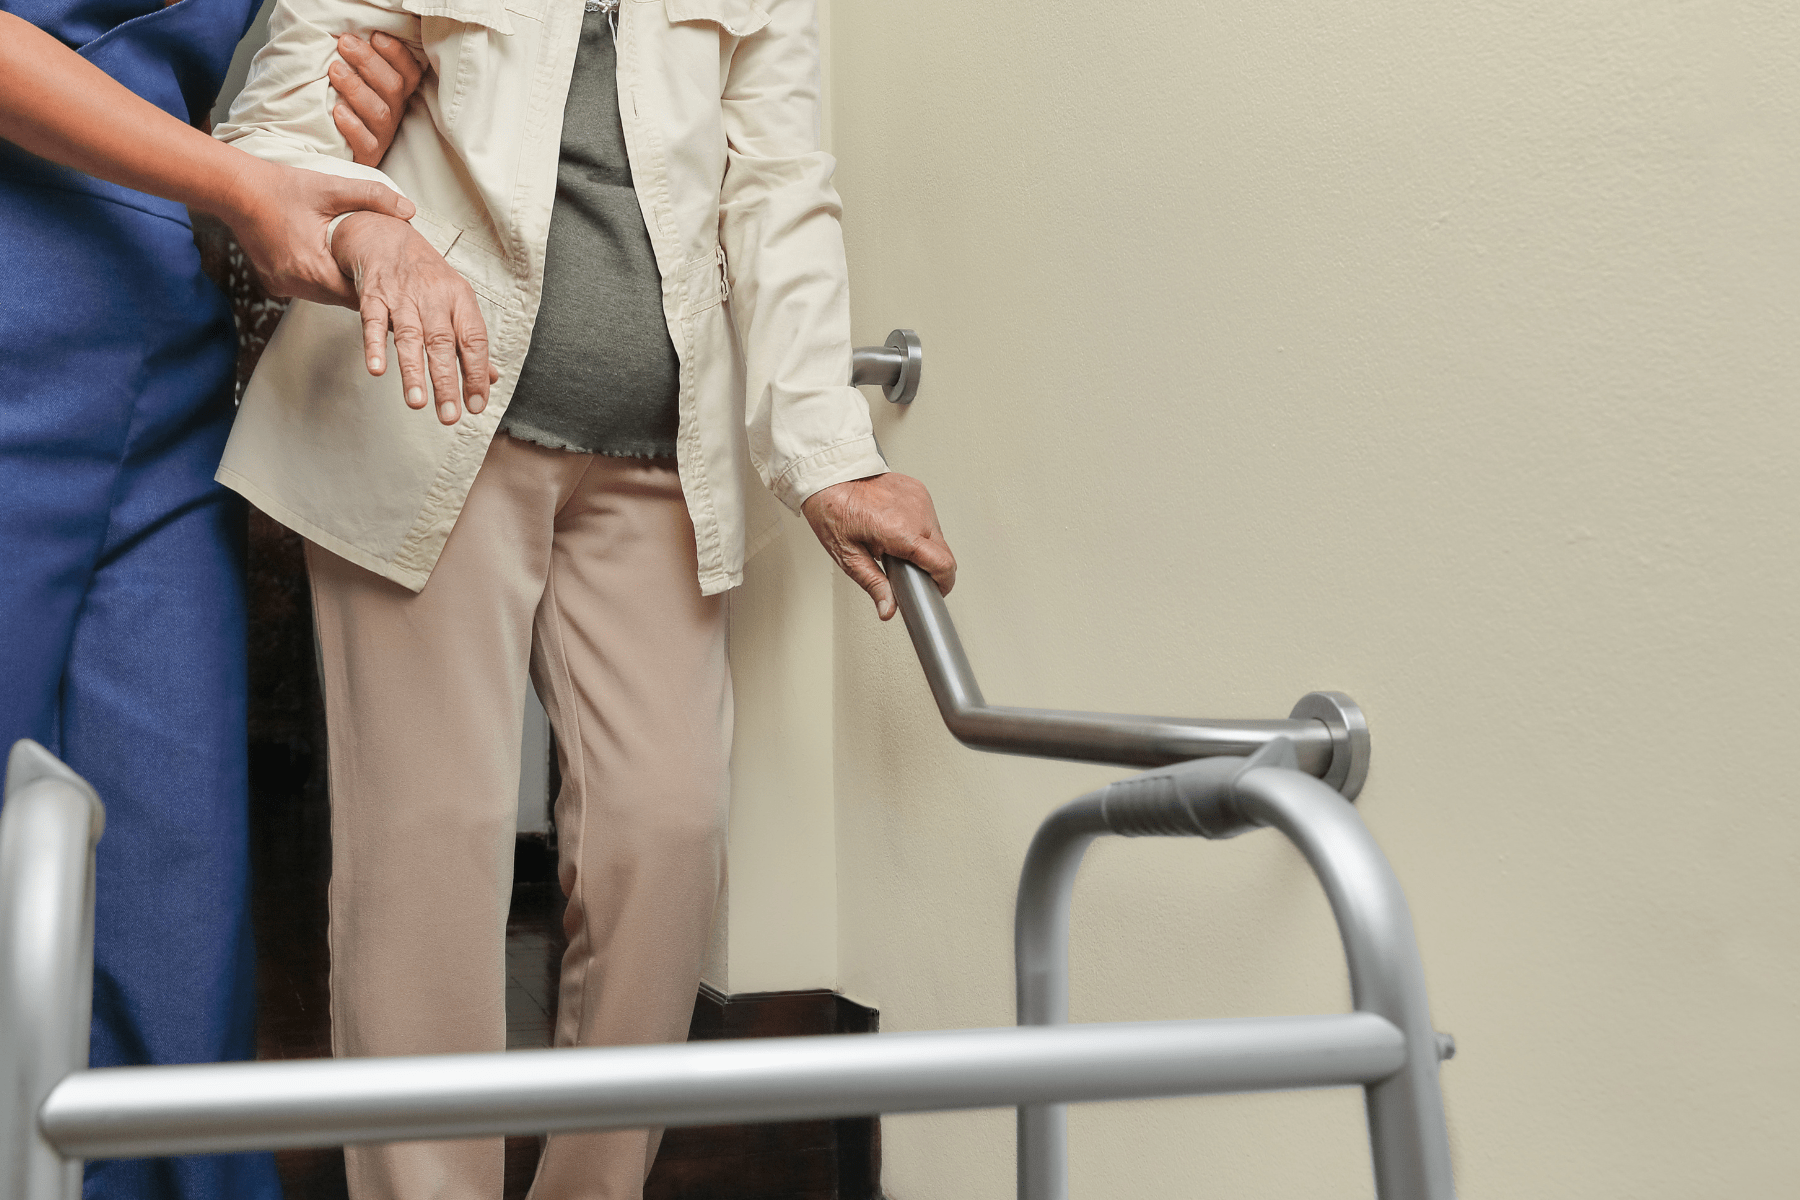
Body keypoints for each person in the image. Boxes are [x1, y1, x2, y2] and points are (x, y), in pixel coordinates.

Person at [214, 1, 956, 1197]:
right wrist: (360, 237)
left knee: (667, 834)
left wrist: (830, 454)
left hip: (661, 463)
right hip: (424, 410)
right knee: (427, 860)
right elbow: (286, 110)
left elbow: (781, 191)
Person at [0, 7, 481, 1198]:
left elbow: (286, 67)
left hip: (156, 348)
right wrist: (237, 179)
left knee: (178, 915)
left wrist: (344, 97)